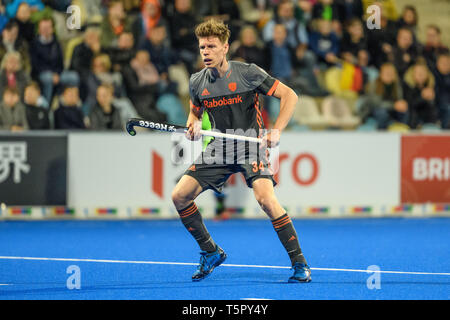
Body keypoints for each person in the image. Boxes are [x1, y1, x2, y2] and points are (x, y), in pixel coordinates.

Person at [171, 19, 311, 283]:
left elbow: (289, 95)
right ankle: (210, 251)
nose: (205, 52)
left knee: (266, 201)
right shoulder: (197, 81)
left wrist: (277, 129)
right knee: (179, 196)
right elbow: (195, 110)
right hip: (219, 148)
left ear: (225, 47)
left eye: (211, 47)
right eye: (202, 47)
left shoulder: (248, 73)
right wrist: (193, 123)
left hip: (250, 146)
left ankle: (299, 262)